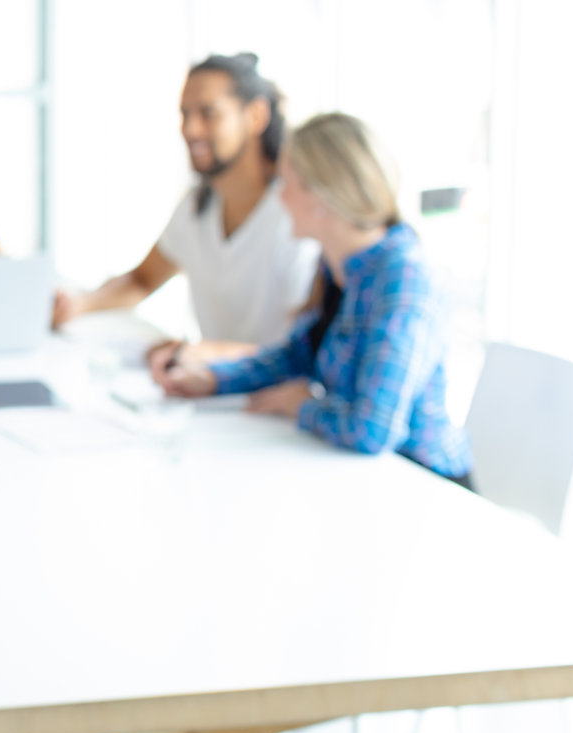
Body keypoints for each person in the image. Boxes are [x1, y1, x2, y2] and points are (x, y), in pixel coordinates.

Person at [155, 113, 474, 487]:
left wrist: (300, 405)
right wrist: (212, 380)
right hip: (362, 476)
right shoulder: (337, 266)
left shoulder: (403, 279)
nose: (280, 196)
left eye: (287, 182)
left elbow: (372, 429)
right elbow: (295, 355)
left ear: (322, 196)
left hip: (425, 486)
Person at [53, 53, 320, 369]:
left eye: (208, 114)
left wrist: (202, 352)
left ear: (256, 116)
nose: (191, 129)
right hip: (209, 388)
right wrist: (82, 304)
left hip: (267, 399)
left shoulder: (295, 215)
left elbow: (300, 349)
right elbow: (142, 279)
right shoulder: (197, 206)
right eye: (185, 114)